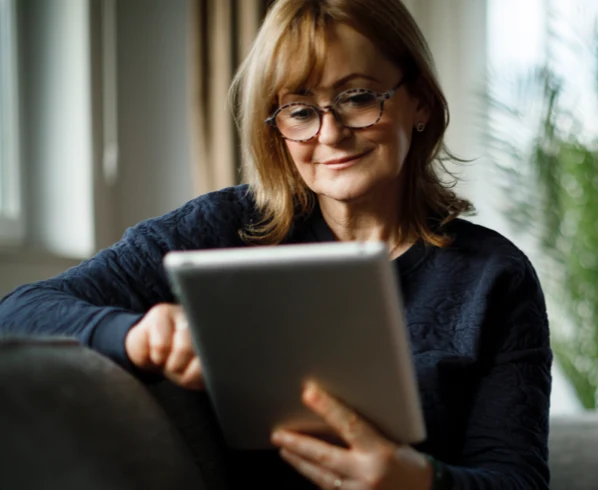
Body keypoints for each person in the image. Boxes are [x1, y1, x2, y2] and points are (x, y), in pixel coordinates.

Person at [0, 1, 552, 489]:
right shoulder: (221, 228)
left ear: (421, 103)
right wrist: (135, 335)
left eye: (358, 98)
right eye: (300, 110)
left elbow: (517, 476)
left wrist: (418, 482)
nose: (329, 134)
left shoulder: (494, 276)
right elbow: (19, 313)